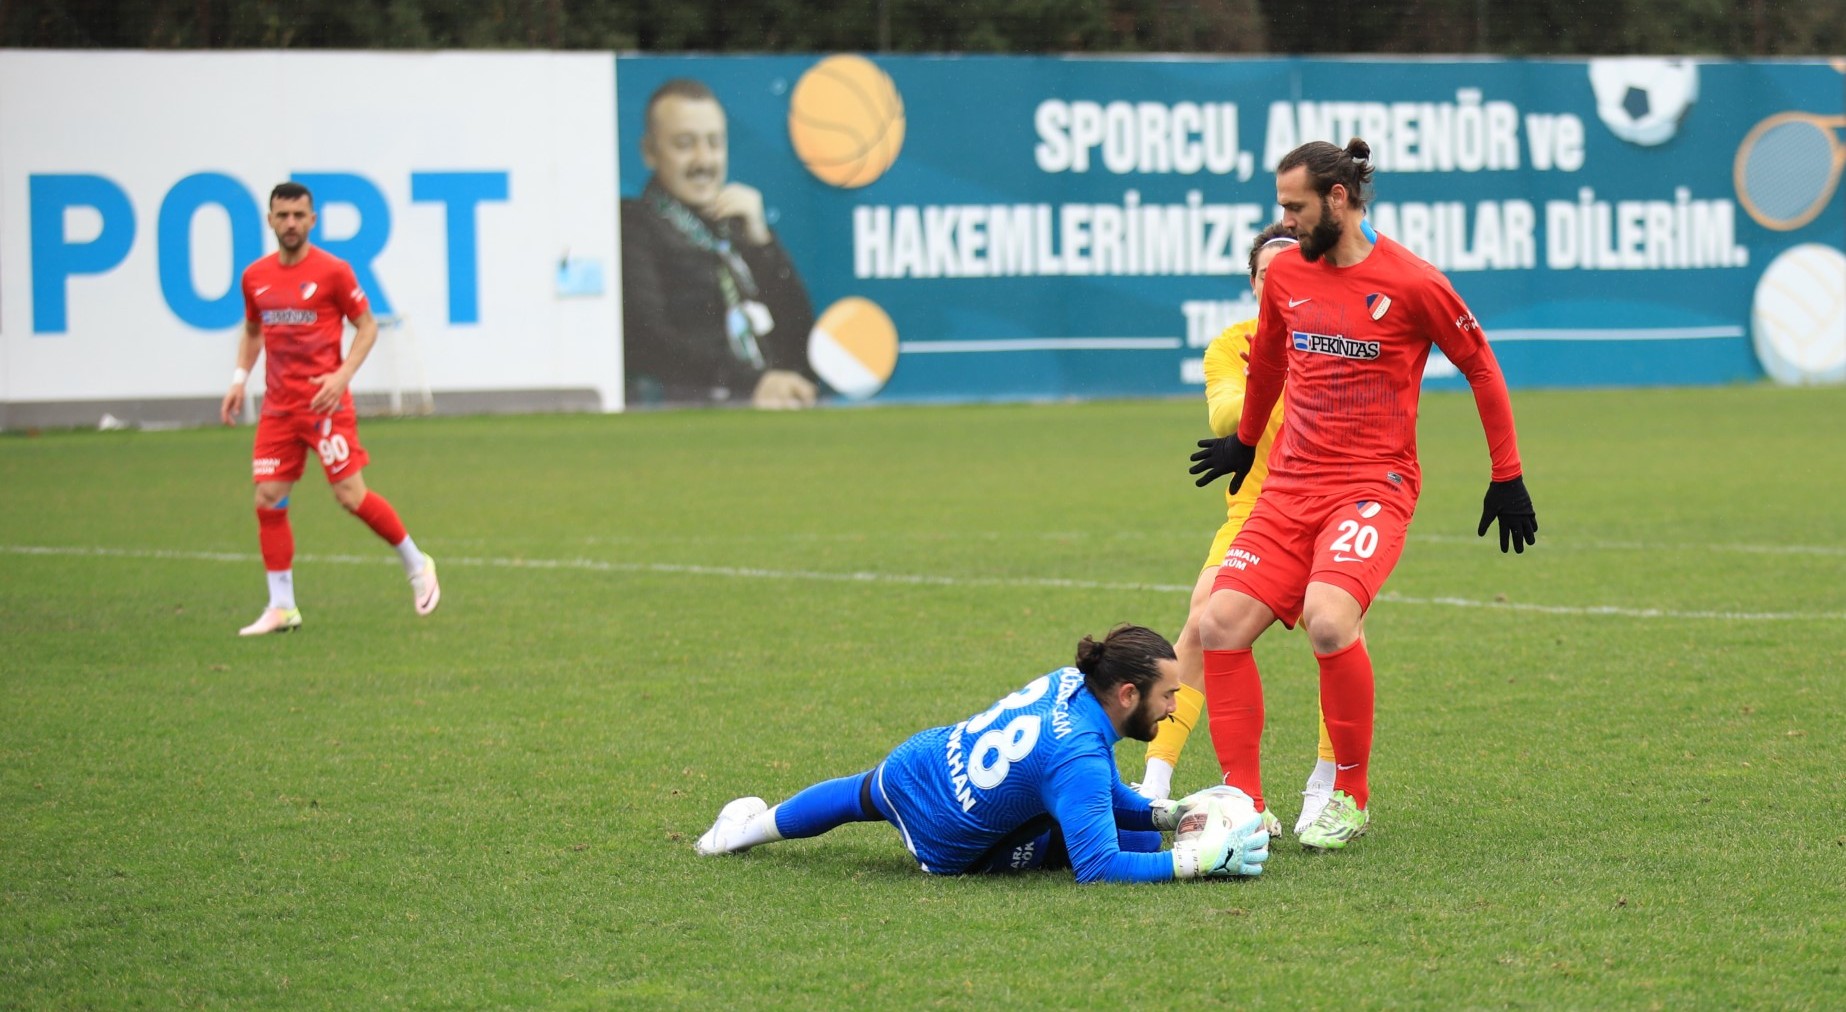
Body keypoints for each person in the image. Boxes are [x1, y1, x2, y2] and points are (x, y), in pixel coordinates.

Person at [1187, 139, 1538, 851]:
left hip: (1372, 486)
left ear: (1338, 201)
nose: (1282, 221)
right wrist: (1247, 442)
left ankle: (1349, 794)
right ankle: (1244, 802)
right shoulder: (1285, 276)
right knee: (1218, 623)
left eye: (1295, 206)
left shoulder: (1412, 282)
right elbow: (1270, 368)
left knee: (1327, 619)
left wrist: (1507, 475)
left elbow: (1483, 368)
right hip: (1288, 486)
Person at [694, 624, 1271, 883]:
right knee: (1134, 847)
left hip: (916, 764)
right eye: (1168, 694)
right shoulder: (1080, 758)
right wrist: (1191, 861)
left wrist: (1164, 812)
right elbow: (1098, 869)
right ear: (1126, 695)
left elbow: (1087, 791)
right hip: (953, 850)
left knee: (856, 794)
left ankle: (736, 834)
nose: (1173, 707)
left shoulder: (1070, 683)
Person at [1139, 223, 1347, 838]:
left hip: (1330, 512)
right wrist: (1283, 365)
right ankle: (1155, 779)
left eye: (1295, 270)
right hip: (1254, 516)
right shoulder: (1234, 345)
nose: (1281, 283)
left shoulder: (1346, 339)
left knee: (1333, 631)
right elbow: (1227, 413)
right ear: (1255, 284)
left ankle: (1328, 786)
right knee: (1205, 618)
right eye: (1268, 274)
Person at [221, 181, 440, 636]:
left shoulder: (334, 272)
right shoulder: (255, 277)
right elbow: (253, 330)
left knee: (350, 497)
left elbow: (366, 327)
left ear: (313, 220)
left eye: (299, 215)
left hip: (326, 406)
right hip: (280, 410)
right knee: (267, 497)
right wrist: (239, 379)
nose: (291, 224)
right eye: (282, 216)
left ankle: (418, 564)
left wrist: (342, 377)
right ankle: (282, 605)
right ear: (270, 220)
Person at [621, 78, 822, 409]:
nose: (704, 161)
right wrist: (749, 385)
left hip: (771, 403)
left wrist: (762, 243)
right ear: (650, 152)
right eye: (685, 144)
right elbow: (648, 341)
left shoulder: (736, 229)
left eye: (714, 143)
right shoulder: (634, 225)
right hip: (700, 413)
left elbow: (803, 342)